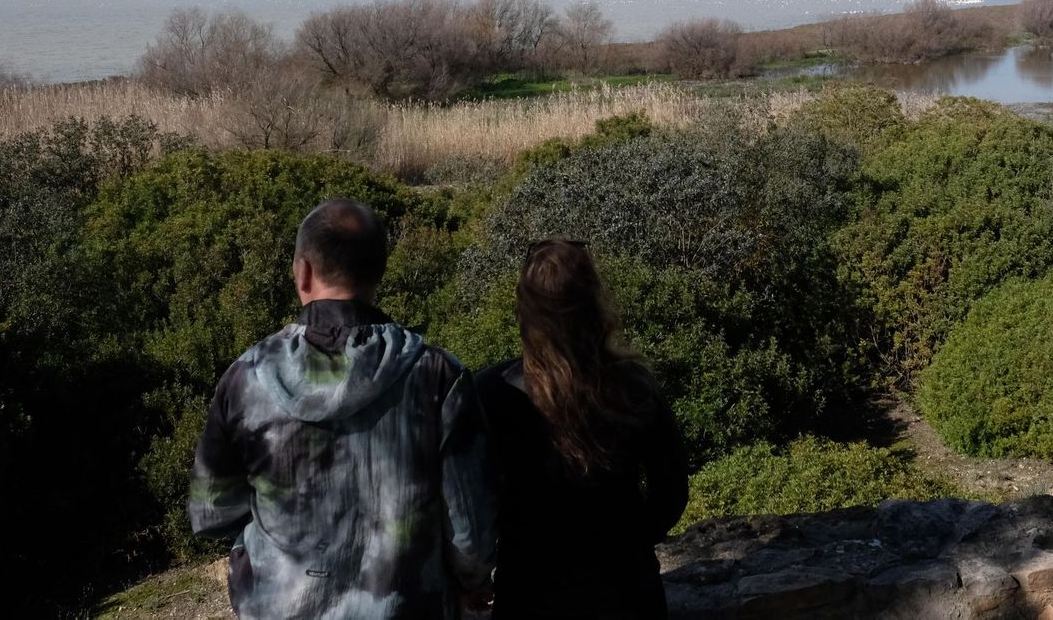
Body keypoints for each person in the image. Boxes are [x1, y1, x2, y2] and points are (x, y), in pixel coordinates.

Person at [188, 198, 496, 620]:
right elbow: (471, 533)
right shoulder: (439, 375)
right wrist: (472, 584)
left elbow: (211, 512)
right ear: (378, 272)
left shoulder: (246, 378)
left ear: (303, 272)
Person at [475, 239, 689, 619]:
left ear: (524, 309)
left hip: (530, 592)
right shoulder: (635, 387)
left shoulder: (491, 393)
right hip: (626, 590)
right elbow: (670, 493)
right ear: (593, 303)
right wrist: (628, 540)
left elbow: (471, 505)